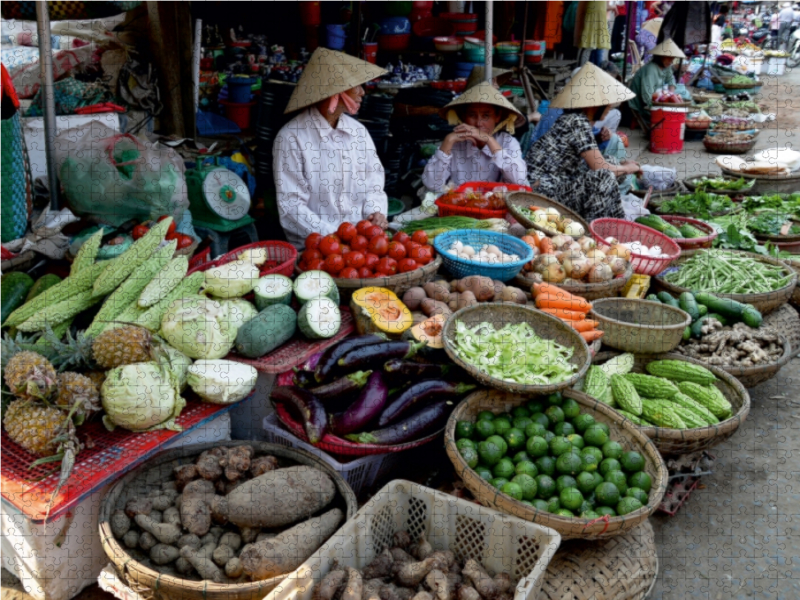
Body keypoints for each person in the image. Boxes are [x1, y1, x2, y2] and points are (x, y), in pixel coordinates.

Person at [273, 48, 389, 249]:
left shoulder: (358, 132)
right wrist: (335, 238)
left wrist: (375, 214)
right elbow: (291, 207)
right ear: (335, 91)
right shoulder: (291, 138)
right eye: (356, 86)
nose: (362, 92)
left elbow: (374, 183)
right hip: (317, 247)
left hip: (361, 244)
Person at [524, 63, 640, 223]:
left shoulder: (577, 120)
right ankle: (596, 231)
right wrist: (628, 168)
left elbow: (598, 162)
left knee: (611, 162)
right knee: (604, 176)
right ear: (593, 104)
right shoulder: (576, 122)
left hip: (557, 185)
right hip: (541, 194)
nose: (610, 108)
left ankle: (608, 224)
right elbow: (600, 169)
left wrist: (623, 166)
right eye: (607, 104)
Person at [422, 82, 528, 193]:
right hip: (459, 205)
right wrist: (448, 141)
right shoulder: (455, 143)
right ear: (463, 117)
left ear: (497, 117)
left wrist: (490, 141)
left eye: (486, 116)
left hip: (494, 207)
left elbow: (519, 180)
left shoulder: (508, 142)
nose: (478, 123)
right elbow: (431, 184)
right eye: (472, 115)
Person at [627, 38, 685, 127]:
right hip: (642, 105)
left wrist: (671, 95)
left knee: (683, 90)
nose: (671, 60)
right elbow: (647, 97)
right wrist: (663, 108)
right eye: (669, 57)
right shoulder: (650, 70)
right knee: (670, 121)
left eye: (672, 58)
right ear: (660, 56)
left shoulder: (667, 66)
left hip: (656, 99)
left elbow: (671, 80)